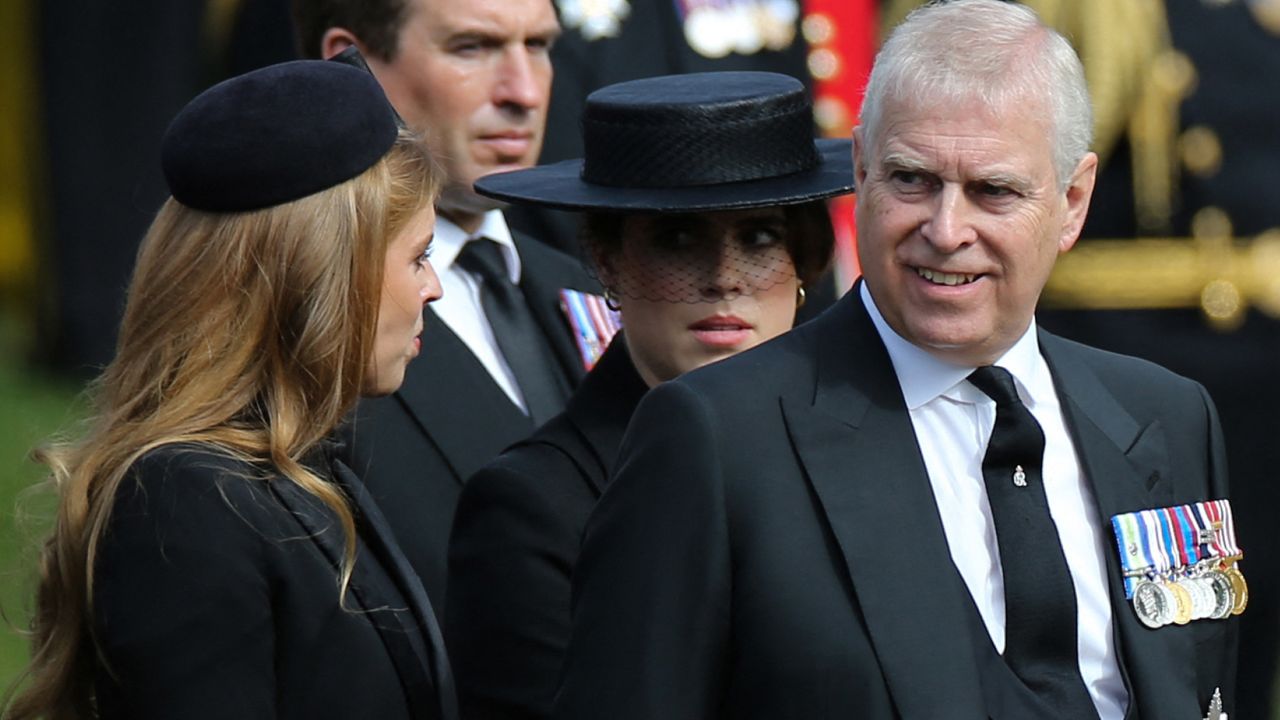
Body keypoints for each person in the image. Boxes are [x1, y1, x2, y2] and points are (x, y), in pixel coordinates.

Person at [554, 2, 1240, 719]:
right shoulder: (716, 439)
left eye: (992, 191)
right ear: (860, 170)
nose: (946, 231)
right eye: (912, 180)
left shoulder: (1164, 415)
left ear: (1072, 201)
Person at [4, 61, 457, 720]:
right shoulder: (184, 502)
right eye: (418, 257)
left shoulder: (294, 465)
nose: (433, 289)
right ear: (324, 276)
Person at [445, 70, 852, 720]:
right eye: (678, 239)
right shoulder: (534, 507)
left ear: (807, 260)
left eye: (759, 237)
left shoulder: (867, 453)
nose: (724, 278)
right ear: (607, 263)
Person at [291, 0, 601, 612]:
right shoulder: (299, 321)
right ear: (348, 65)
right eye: (472, 48)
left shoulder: (593, 291)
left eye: (538, 46)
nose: (524, 91)